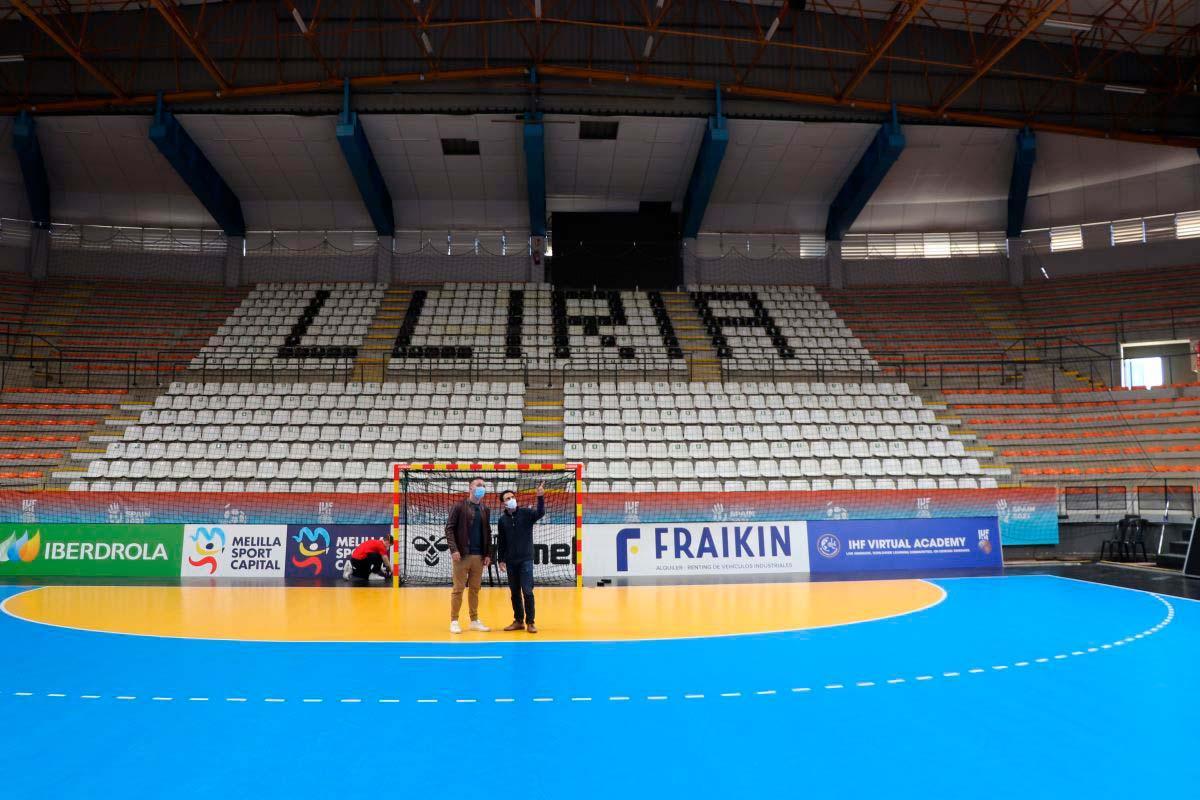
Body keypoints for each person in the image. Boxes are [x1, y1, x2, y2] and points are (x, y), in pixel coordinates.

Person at [445, 476, 492, 634]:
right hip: (462, 556)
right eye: (479, 485)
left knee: (475, 589)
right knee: (458, 589)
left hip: (479, 557)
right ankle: (454, 621)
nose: (482, 487)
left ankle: (474, 620)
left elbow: (488, 532)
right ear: (470, 488)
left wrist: (487, 554)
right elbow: (449, 529)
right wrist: (454, 549)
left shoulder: (485, 509)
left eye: (484, 485)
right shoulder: (459, 507)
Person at [497, 482, 546, 633]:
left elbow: (540, 513)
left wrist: (540, 497)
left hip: (526, 559)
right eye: (507, 498)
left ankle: (530, 622)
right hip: (511, 562)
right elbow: (501, 541)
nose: (511, 499)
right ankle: (518, 621)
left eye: (512, 496)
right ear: (503, 503)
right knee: (514, 593)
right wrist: (501, 559)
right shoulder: (502, 520)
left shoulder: (526, 513)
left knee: (527, 591)